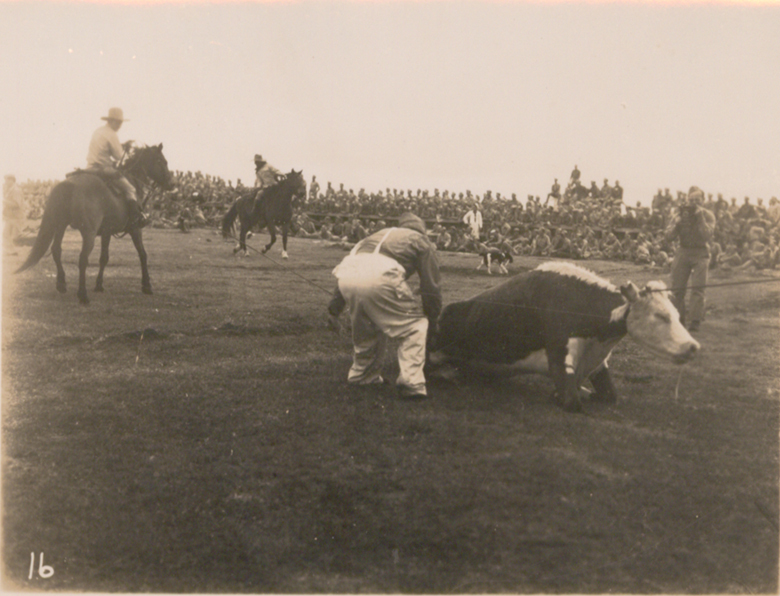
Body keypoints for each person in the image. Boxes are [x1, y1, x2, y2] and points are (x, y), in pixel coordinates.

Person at [327, 212, 442, 399]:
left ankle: (361, 376)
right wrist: (433, 317)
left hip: (347, 273)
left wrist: (334, 310)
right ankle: (411, 382)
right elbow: (431, 286)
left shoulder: (375, 235)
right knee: (415, 327)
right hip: (381, 273)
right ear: (421, 230)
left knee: (367, 327)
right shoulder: (421, 240)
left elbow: (351, 268)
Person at [665, 186, 716, 332]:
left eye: (697, 200)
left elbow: (706, 235)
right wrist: (676, 223)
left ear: (703, 201)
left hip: (701, 252)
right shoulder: (680, 213)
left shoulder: (708, 215)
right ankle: (678, 319)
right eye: (691, 200)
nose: (694, 203)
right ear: (687, 200)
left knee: (698, 288)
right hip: (683, 251)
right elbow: (668, 237)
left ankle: (695, 321)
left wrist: (699, 217)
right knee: (677, 288)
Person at [86, 107, 148, 228]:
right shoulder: (112, 134)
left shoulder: (98, 131)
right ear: (112, 121)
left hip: (89, 167)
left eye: (121, 123)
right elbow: (119, 156)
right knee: (130, 189)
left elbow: (103, 148)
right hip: (104, 169)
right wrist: (124, 147)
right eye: (118, 123)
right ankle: (134, 219)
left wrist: (120, 145)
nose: (120, 126)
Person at [3, 174, 27, 254]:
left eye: (7, 180)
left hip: (17, 217)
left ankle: (14, 250)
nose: (5, 181)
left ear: (12, 180)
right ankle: (11, 251)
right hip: (11, 216)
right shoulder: (10, 190)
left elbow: (17, 204)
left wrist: (3, 201)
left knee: (15, 236)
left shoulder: (16, 190)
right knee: (5, 234)